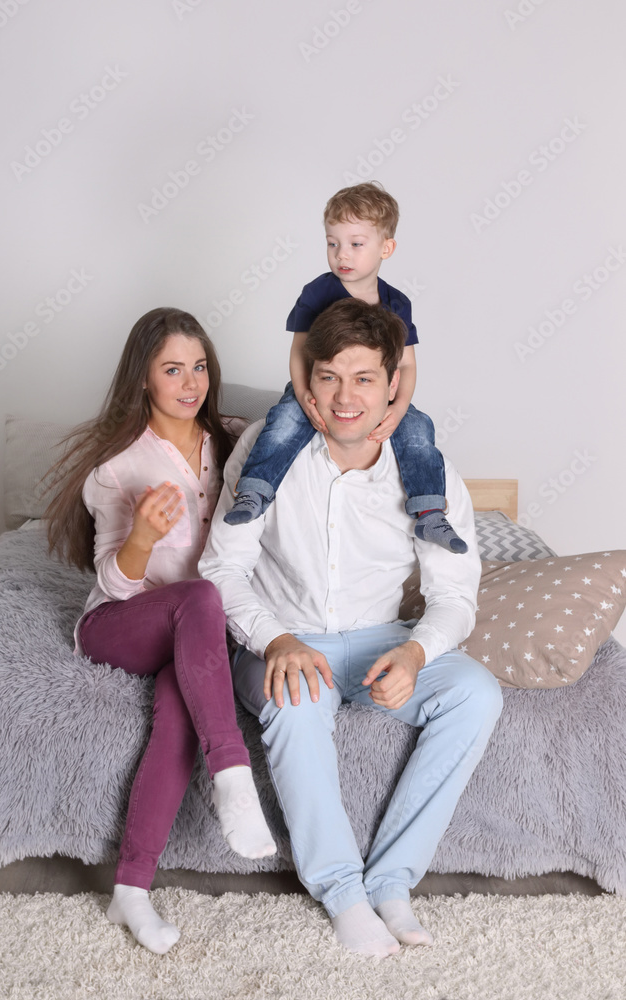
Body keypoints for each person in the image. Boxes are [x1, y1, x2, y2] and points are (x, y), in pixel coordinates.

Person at [200, 298, 503, 958]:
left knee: (476, 692)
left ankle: (390, 883)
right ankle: (341, 893)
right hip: (282, 636)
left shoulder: (426, 468)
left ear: (393, 383)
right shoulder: (264, 451)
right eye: (329, 377)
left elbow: (455, 593)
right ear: (305, 382)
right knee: (295, 697)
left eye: (363, 378)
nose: (345, 397)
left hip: (379, 638)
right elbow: (220, 570)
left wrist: (416, 653)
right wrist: (274, 640)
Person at [46, 307, 276, 956]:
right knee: (197, 595)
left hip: (195, 634)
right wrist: (142, 538)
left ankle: (130, 890)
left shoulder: (231, 441)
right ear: (143, 378)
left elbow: (298, 417)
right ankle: (232, 774)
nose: (189, 381)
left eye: (199, 366)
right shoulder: (114, 469)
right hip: (118, 624)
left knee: (182, 700)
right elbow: (117, 586)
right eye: (172, 368)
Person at [224, 181, 467, 555]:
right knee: (285, 420)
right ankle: (255, 491)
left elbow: (407, 365)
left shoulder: (397, 303)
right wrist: (303, 393)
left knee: (419, 427)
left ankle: (430, 511)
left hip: (379, 396)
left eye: (356, 243)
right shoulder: (318, 292)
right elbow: (298, 352)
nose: (341, 254)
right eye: (332, 243)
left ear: (386, 247)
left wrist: (398, 408)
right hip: (313, 385)